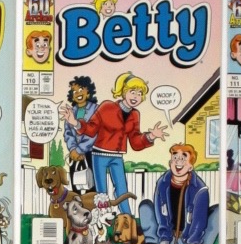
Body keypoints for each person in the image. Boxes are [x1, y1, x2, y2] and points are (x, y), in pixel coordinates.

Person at [63, 71, 166, 209]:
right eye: (132, 92)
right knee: (101, 192)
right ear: (123, 92)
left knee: (122, 189)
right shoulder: (107, 107)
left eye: (139, 93)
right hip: (99, 155)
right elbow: (91, 129)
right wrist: (75, 123)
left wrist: (150, 136)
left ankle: (126, 216)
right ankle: (103, 218)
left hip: (117, 157)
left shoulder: (135, 114)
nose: (136, 96)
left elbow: (135, 142)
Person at [138, 143, 217, 244]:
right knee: (145, 206)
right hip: (167, 237)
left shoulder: (200, 189)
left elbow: (199, 222)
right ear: (170, 163)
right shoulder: (162, 183)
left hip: (190, 237)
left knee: (218, 211)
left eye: (183, 158)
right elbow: (161, 215)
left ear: (190, 166)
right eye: (175, 157)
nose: (178, 161)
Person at [61, 75, 98, 191]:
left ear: (88, 92)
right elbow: (68, 132)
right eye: (74, 92)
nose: (78, 93)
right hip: (74, 154)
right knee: (76, 184)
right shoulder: (72, 111)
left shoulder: (96, 109)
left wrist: (80, 149)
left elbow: (94, 132)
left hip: (91, 153)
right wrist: (73, 149)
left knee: (91, 185)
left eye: (81, 90)